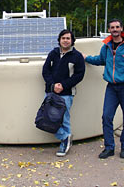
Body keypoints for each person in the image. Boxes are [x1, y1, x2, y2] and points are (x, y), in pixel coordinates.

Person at [83, 18, 124, 159]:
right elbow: (100, 60)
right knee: (106, 116)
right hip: (111, 87)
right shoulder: (106, 46)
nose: (114, 29)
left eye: (117, 27)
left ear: (121, 28)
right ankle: (109, 147)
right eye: (112, 27)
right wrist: (85, 57)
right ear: (109, 30)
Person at [43, 29, 85, 157]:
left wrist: (63, 85)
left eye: (68, 38)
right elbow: (45, 71)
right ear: (59, 40)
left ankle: (64, 144)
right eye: (63, 38)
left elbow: (79, 75)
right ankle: (66, 137)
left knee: (64, 119)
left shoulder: (77, 56)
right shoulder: (53, 53)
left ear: (72, 40)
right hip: (51, 91)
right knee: (47, 118)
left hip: (66, 93)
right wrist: (53, 85)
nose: (65, 40)